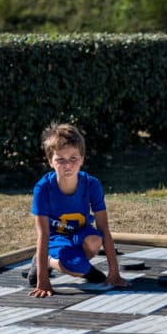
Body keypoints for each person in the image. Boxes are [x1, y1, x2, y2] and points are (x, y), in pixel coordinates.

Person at [28, 123, 129, 297]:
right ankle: (46, 261)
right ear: (50, 161)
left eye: (73, 158)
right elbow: (43, 234)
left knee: (95, 240)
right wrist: (43, 280)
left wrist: (114, 272)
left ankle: (79, 265)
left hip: (80, 233)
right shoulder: (42, 188)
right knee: (77, 268)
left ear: (82, 158)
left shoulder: (92, 184)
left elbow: (104, 228)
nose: (68, 165)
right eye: (60, 160)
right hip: (55, 237)